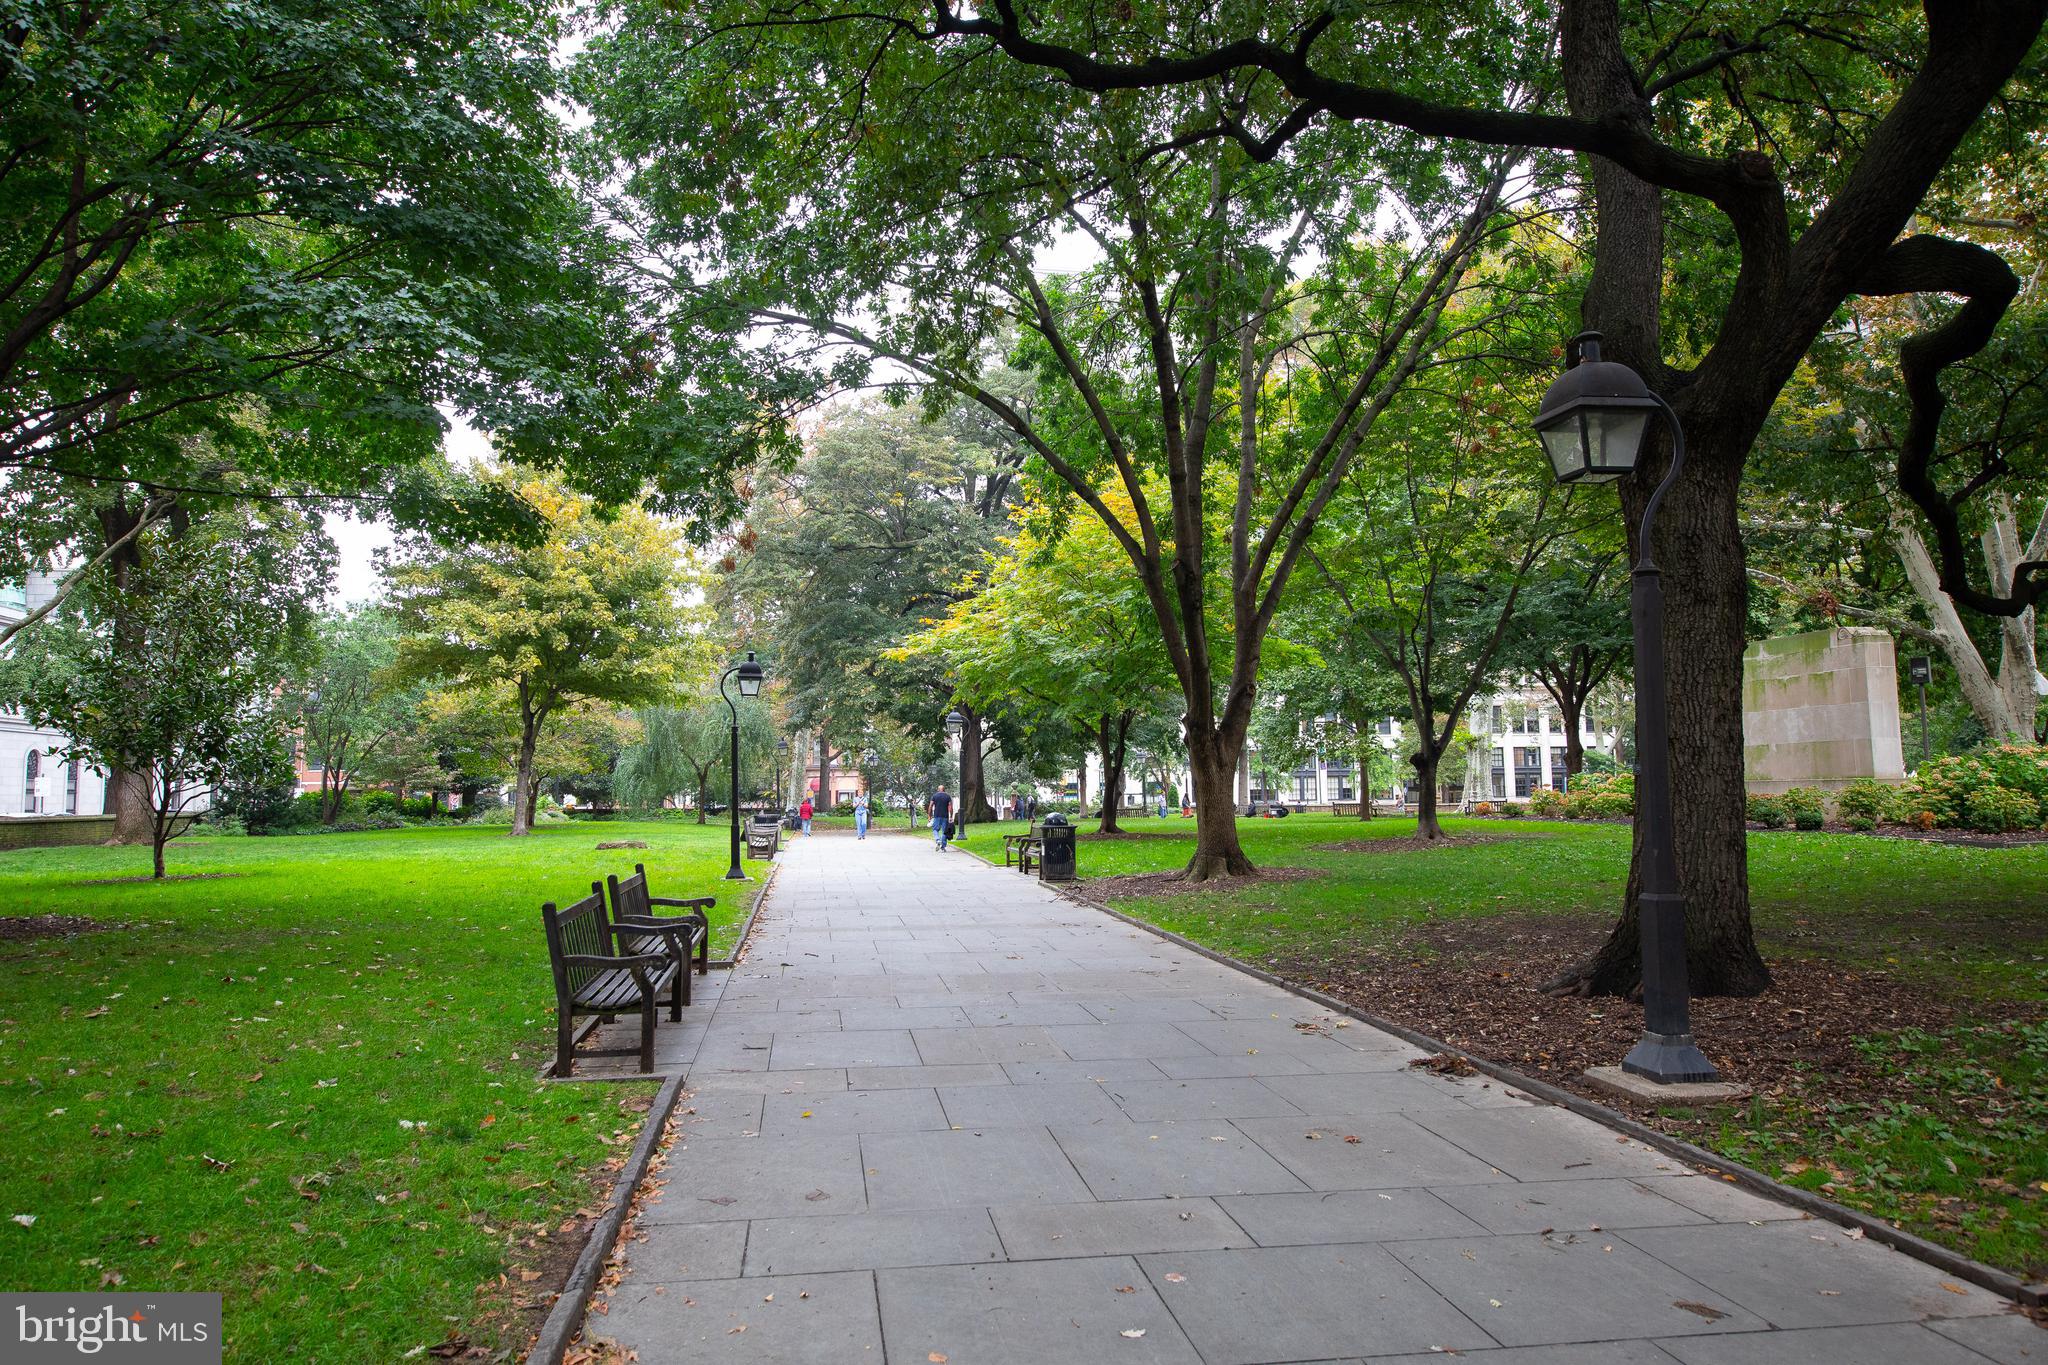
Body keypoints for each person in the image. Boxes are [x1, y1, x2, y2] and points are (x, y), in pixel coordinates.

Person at [929, 784, 954, 851]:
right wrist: (951, 816)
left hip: (937, 816)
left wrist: (929, 816)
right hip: (945, 816)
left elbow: (930, 806)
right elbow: (950, 807)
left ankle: (938, 840)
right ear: (944, 790)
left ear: (938, 789)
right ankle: (943, 847)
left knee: (935, 829)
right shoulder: (948, 796)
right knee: (944, 832)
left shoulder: (935, 796)